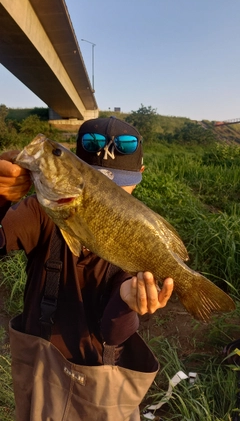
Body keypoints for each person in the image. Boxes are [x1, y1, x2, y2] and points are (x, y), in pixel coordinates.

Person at [0, 116, 174, 421]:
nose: (102, 196)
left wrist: (127, 303)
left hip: (102, 384)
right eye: (92, 183)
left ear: (141, 174)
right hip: (39, 377)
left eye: (116, 186)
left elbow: (112, 333)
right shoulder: (42, 212)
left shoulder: (141, 237)